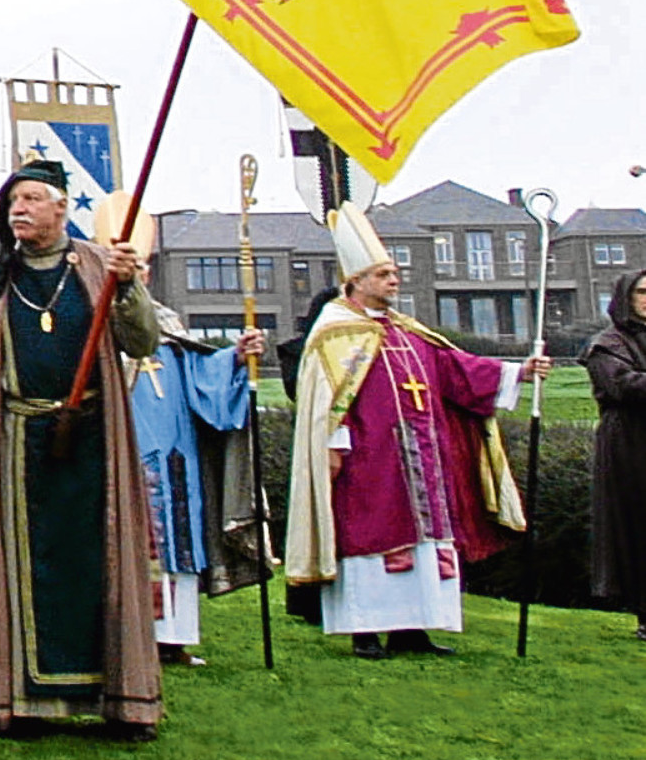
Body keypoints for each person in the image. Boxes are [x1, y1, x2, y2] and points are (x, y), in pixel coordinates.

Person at [0, 159, 162, 737]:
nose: (19, 209)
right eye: (13, 200)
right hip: (19, 438)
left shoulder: (100, 267)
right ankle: (24, 700)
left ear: (62, 207)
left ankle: (116, 698)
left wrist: (129, 288)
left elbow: (142, 340)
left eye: (31, 199)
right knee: (25, 565)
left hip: (93, 437)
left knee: (99, 561)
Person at [284, 205, 546, 658]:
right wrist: (333, 446)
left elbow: (456, 370)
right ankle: (364, 629)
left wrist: (517, 372)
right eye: (384, 273)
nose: (394, 280)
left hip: (423, 456)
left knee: (425, 542)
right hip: (369, 460)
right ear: (357, 281)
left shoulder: (407, 331)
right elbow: (325, 401)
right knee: (370, 537)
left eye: (396, 273)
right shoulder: (334, 335)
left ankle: (414, 629)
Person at [122, 271, 267, 666]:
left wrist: (235, 357)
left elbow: (200, 378)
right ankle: (127, 639)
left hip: (177, 455)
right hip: (126, 452)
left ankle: (173, 639)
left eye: (140, 268)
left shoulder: (166, 321)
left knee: (178, 540)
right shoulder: (97, 322)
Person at [584, 269, 646, 640]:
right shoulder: (607, 344)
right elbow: (622, 386)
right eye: (642, 293)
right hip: (630, 445)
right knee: (638, 525)